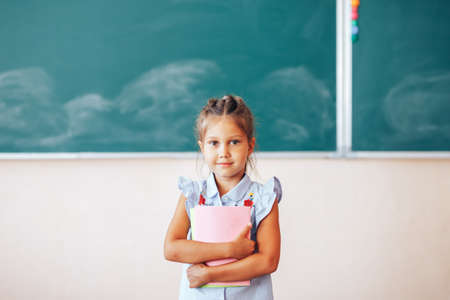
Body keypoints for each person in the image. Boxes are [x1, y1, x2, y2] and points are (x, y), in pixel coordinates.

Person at [164, 95, 282, 300]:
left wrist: (211, 274)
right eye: (214, 143)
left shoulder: (264, 199)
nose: (224, 152)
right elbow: (172, 248)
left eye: (234, 142)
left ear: (250, 146)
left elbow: (268, 261)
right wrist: (230, 249)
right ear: (202, 147)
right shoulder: (192, 195)